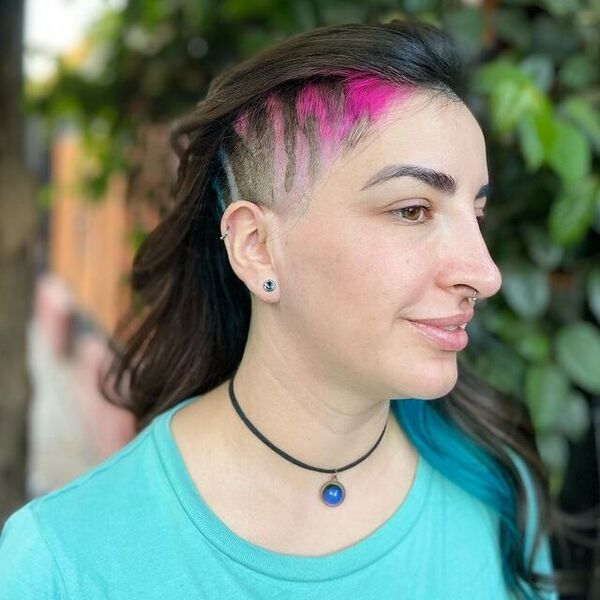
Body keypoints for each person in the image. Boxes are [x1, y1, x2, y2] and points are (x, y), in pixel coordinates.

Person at [0, 19, 560, 599]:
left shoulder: (497, 497)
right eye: (413, 210)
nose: (484, 274)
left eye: (477, 214)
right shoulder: (63, 562)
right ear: (257, 247)